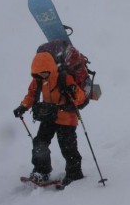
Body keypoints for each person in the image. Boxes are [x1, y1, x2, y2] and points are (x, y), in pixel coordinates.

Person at [13, 51, 86, 186]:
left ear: (50, 68)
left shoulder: (64, 78)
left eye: (44, 72)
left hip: (67, 118)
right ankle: (41, 171)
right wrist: (23, 107)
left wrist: (73, 90)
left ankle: (74, 174)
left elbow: (80, 97)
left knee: (68, 147)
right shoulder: (38, 80)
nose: (41, 76)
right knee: (40, 142)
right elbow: (31, 95)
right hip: (49, 116)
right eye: (38, 73)